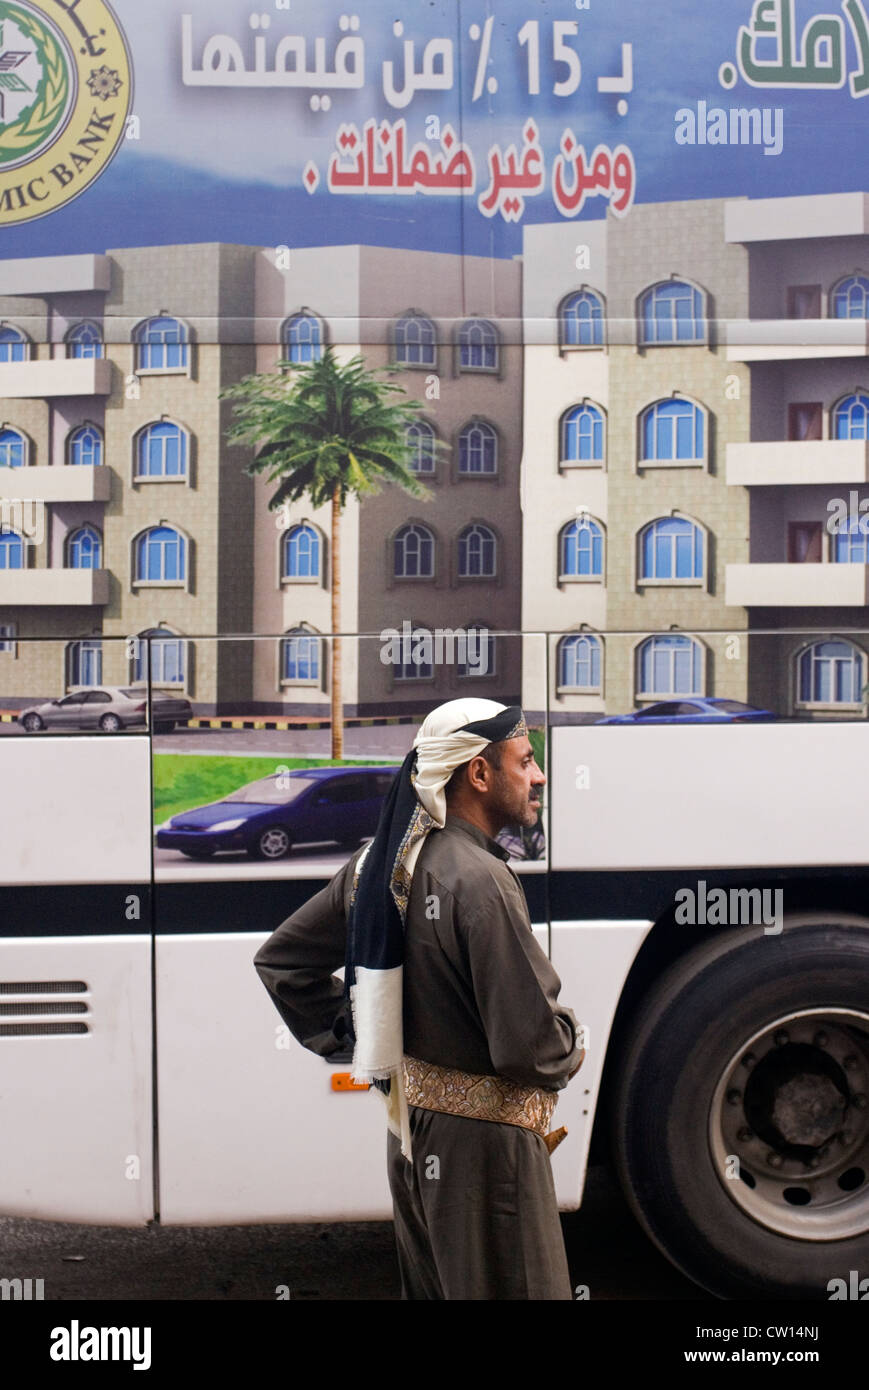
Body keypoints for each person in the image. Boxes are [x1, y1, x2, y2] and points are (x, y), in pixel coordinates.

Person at [253, 697, 585, 1300]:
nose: (538, 776)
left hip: (413, 1136)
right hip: (488, 1158)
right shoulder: (481, 881)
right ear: (479, 774)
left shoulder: (376, 865)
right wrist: (572, 1042)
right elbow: (530, 1048)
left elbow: (284, 962)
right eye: (526, 762)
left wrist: (368, 1033)